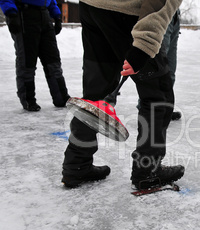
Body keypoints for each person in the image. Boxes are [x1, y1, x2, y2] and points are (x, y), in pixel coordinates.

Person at [61, 0, 185, 190]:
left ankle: (77, 163)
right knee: (158, 95)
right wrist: (145, 43)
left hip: (92, 7)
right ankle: (147, 170)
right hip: (127, 12)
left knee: (96, 93)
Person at [0, 0, 70, 111]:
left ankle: (61, 98)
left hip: (44, 15)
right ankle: (28, 100)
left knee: (53, 61)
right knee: (27, 62)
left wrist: (56, 15)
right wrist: (10, 12)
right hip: (24, 14)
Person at [162, 9, 182, 121]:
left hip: (175, 16)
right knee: (158, 67)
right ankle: (150, 108)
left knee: (170, 71)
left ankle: (165, 108)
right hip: (162, 13)